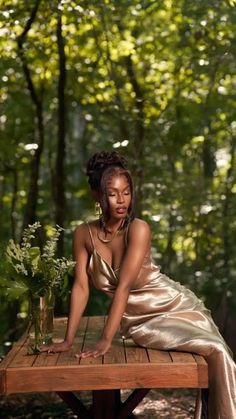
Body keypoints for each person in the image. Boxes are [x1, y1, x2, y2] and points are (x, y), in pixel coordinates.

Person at [41, 151, 236, 419]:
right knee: (213, 350)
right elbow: (81, 287)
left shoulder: (138, 229)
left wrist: (105, 341)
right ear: (98, 196)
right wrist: (68, 340)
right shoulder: (83, 234)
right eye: (112, 193)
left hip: (174, 307)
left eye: (126, 192)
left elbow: (123, 287)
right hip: (139, 322)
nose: (121, 200)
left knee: (218, 352)